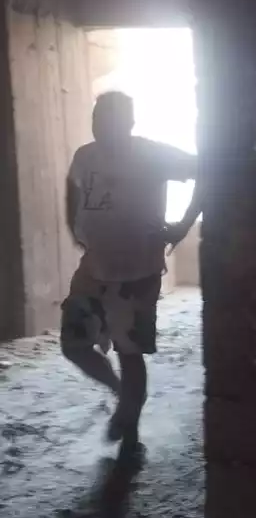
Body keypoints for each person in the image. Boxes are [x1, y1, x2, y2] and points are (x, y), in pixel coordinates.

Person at [62, 90, 202, 453]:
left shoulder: (152, 154)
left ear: (129, 122)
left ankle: (130, 434)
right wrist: (74, 225)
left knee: (129, 352)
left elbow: (206, 171)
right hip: (93, 268)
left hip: (137, 273)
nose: (100, 125)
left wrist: (184, 225)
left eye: (109, 118)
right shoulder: (85, 156)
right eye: (96, 118)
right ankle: (122, 393)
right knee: (74, 344)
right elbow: (73, 187)